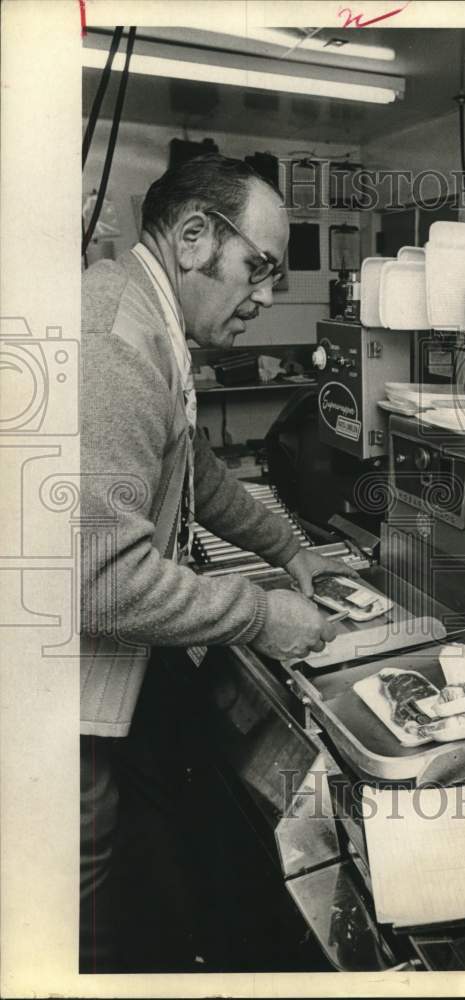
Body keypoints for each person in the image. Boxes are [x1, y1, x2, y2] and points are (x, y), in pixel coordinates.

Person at [79, 154, 354, 971]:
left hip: (107, 681)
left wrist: (290, 551)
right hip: (57, 696)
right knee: (77, 878)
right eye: (258, 268)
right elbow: (104, 578)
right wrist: (267, 614)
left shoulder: (147, 316)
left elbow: (192, 467)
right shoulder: (115, 342)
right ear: (194, 235)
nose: (266, 295)